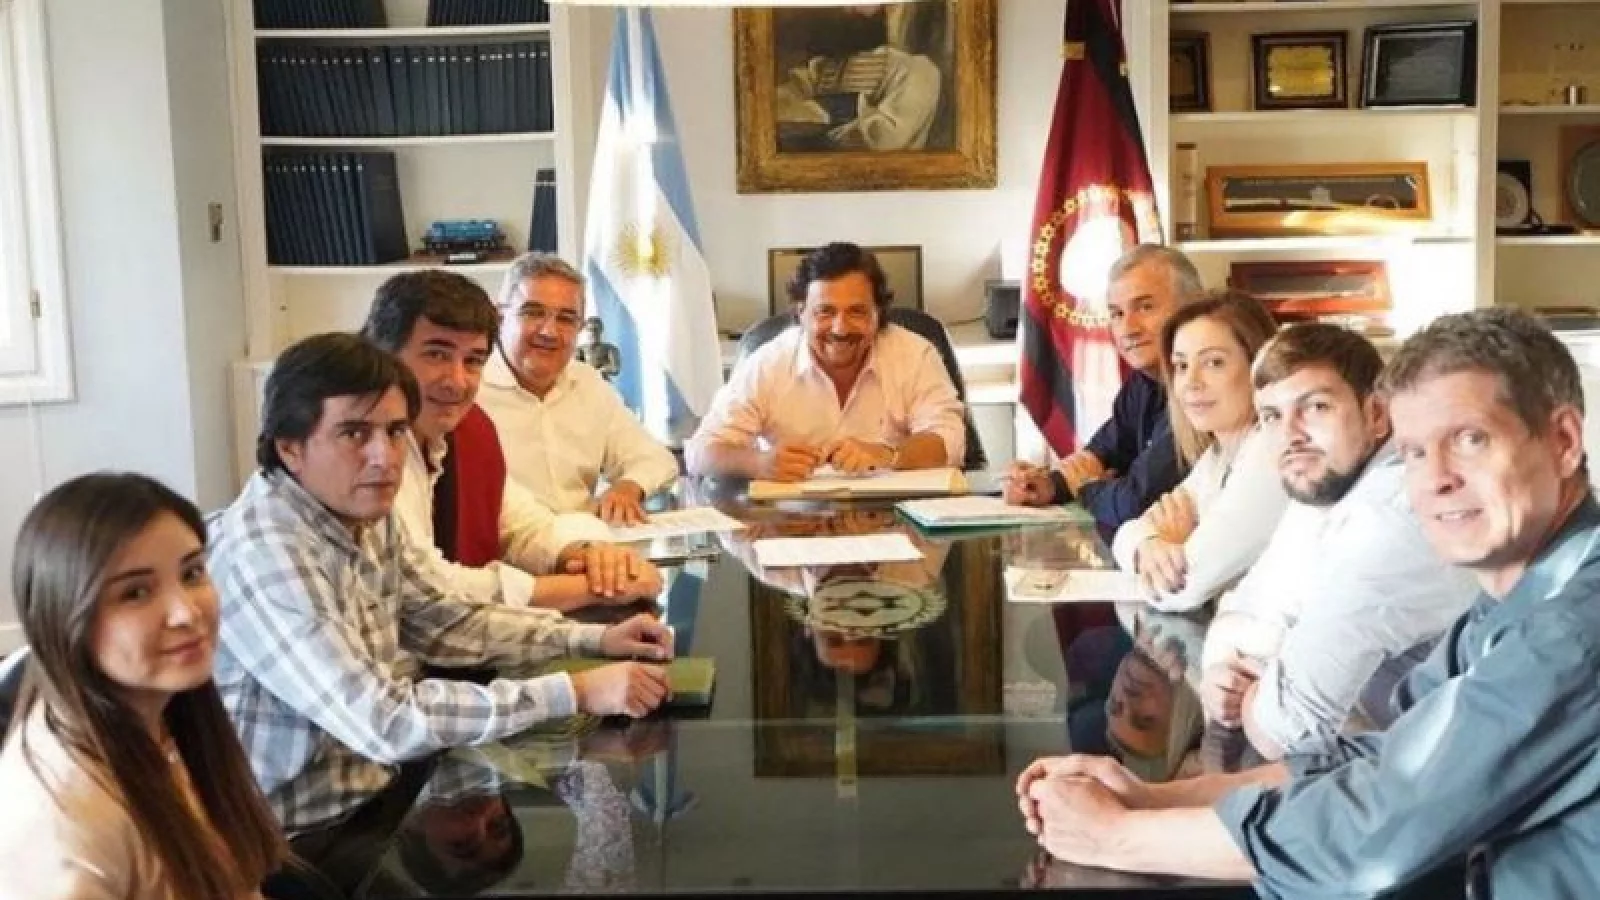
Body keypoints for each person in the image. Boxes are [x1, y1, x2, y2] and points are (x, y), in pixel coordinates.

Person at [1016, 309, 1600, 899]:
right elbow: (1375, 759)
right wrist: (1152, 799)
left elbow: (1372, 836)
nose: (1435, 480)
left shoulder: (1575, 627)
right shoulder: (1517, 599)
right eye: (1415, 453)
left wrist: (1117, 836)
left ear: (1564, 442)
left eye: (1470, 440)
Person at [208, 333, 674, 847]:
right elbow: (384, 721)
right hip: (292, 843)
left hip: (374, 793)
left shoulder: (356, 510)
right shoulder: (267, 552)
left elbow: (443, 620)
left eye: (394, 431)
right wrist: (576, 691)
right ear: (290, 448)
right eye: (354, 433)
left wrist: (589, 641)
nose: (385, 457)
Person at [0, 473, 287, 899]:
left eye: (192, 573)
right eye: (135, 593)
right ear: (65, 616)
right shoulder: (65, 819)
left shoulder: (166, 719)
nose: (186, 613)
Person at [1198, 324, 1477, 759]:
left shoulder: (1391, 516)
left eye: (1315, 407)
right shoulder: (1323, 489)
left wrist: (1261, 667)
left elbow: (1287, 729)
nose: (1291, 436)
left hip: (1442, 778)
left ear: (1377, 415)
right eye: (1271, 417)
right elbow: (1242, 605)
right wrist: (1228, 669)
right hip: (1377, 764)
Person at [361, 269, 663, 612]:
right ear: (384, 355)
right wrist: (588, 588)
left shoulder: (470, 429)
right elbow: (424, 589)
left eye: (473, 361)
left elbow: (524, 526)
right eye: (437, 355)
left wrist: (594, 555)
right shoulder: (362, 452)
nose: (457, 381)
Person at [686, 242, 965, 481]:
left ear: (878, 313)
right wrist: (758, 464)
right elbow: (700, 452)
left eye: (856, 312)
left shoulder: (914, 355)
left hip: (897, 515)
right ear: (801, 313)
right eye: (825, 312)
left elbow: (950, 442)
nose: (840, 329)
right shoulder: (769, 363)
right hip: (792, 519)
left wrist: (889, 454)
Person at [1005, 245, 1203, 535]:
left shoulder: (1202, 394)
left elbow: (1136, 502)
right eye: (1117, 313)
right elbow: (1102, 454)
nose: (1128, 329)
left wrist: (1087, 488)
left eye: (1145, 307)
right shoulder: (1144, 382)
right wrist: (1047, 485)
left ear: (1192, 308)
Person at [1109, 290, 1287, 612]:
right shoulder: (1219, 454)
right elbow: (1127, 533)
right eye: (1181, 365)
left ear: (1260, 369)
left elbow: (1183, 588)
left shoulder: (1272, 455)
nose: (1191, 382)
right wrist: (1149, 544)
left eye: (1213, 363)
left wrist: (1175, 548)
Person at [476, 253, 679, 527]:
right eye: (533, 313)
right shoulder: (470, 390)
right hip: (505, 546)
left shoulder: (587, 383)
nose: (549, 331)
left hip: (587, 539)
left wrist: (628, 487)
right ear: (500, 317)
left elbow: (656, 459)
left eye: (566, 319)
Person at [772, 5, 943, 152]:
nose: (848, 7)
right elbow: (779, 105)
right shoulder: (822, 67)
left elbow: (884, 138)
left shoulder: (916, 69)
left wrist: (824, 121)